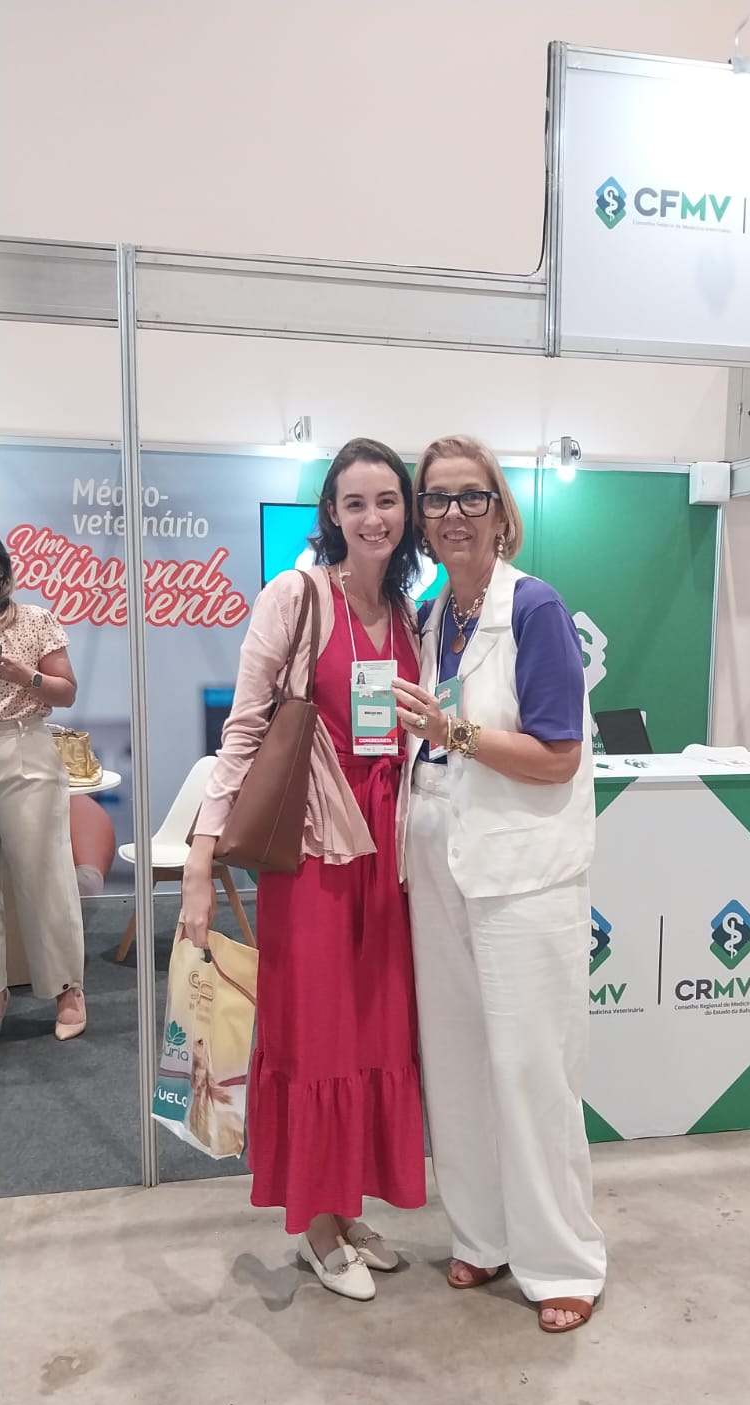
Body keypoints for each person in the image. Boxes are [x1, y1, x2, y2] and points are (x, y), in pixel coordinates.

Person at [182, 438, 426, 1301]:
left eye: (387, 500)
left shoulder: (409, 612)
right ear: (332, 514)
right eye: (355, 502)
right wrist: (201, 860)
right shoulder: (296, 596)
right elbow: (244, 730)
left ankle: (347, 1205)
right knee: (317, 1031)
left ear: (407, 510)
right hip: (315, 847)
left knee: (375, 1031)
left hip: (389, 850)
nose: (373, 517)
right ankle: (318, 1227)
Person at [393, 435, 607, 1334]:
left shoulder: (534, 607)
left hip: (523, 872)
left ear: (499, 510)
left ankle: (562, 1260)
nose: (452, 514)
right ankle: (481, 1234)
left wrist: (454, 734)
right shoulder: (430, 614)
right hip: (439, 860)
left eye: (469, 497)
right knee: (456, 1062)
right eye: (436, 499)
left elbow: (557, 757)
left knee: (529, 1068)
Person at [0, 539, 87, 1040]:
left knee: (44, 875)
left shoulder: (35, 620)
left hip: (23, 745)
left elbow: (67, 691)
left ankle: (67, 989)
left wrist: (24, 675)